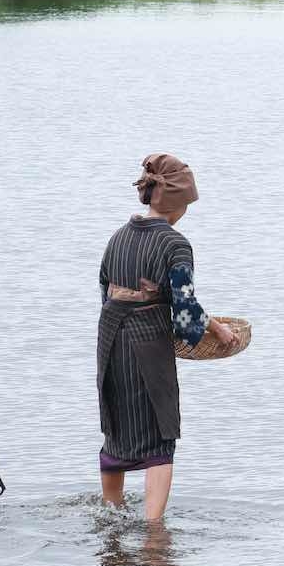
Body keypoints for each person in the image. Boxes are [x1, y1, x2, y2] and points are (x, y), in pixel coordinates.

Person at [97, 153, 238, 521]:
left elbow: (105, 291)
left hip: (110, 338)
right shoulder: (175, 244)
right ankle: (153, 529)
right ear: (178, 203)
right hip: (148, 341)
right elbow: (185, 306)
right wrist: (216, 330)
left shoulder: (118, 237)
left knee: (116, 427)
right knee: (161, 433)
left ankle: (111, 514)